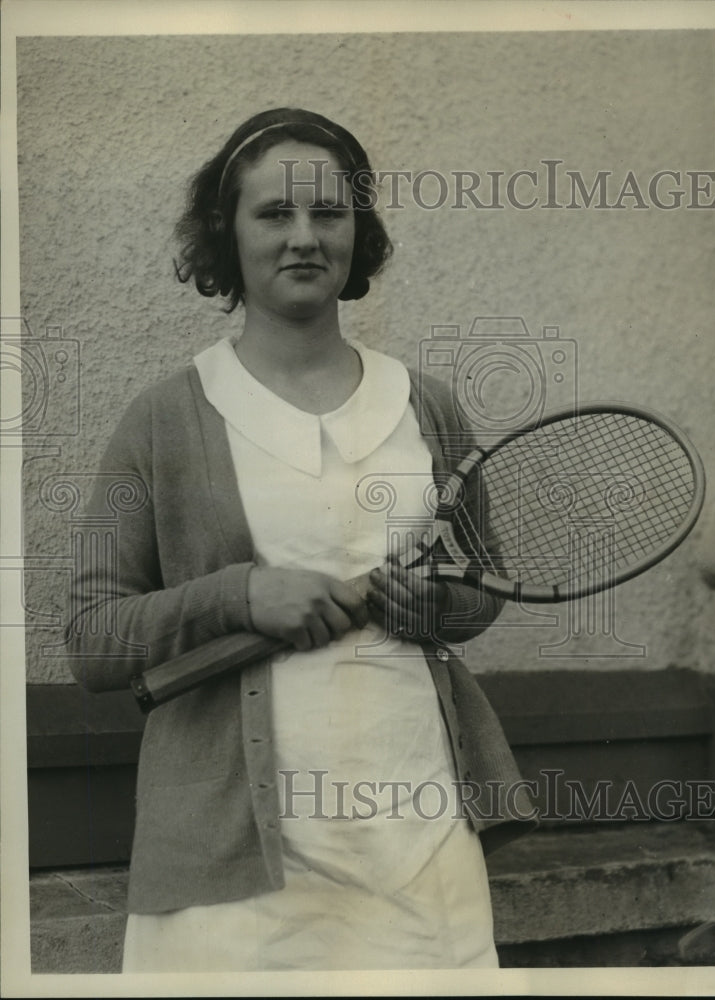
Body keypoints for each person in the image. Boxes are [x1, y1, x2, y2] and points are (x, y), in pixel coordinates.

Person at [69, 107, 534, 972]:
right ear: (227, 232)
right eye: (273, 214)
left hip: (419, 848)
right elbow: (93, 639)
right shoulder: (166, 419)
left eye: (330, 213)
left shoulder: (426, 406)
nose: (304, 237)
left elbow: (485, 589)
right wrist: (238, 594)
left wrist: (439, 602)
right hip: (233, 875)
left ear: (360, 232)